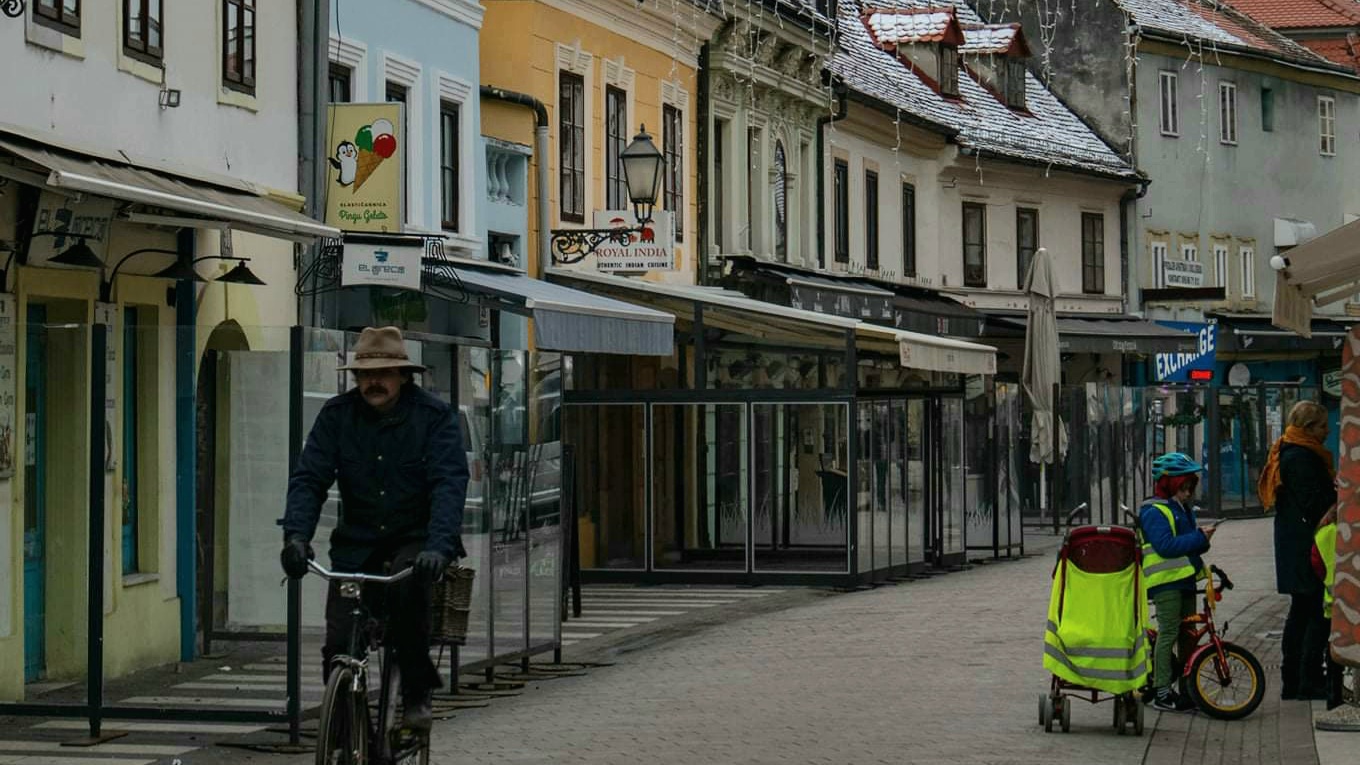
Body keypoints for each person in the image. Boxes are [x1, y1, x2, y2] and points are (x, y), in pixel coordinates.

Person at [278, 326, 469, 732]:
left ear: (404, 375)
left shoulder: (433, 418)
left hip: (413, 540)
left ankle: (417, 691)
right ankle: (346, 725)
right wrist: (296, 537)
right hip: (356, 544)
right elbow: (310, 478)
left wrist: (438, 547)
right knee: (339, 638)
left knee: (408, 597)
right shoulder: (337, 416)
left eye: (383, 373)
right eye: (365, 375)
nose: (374, 382)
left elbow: (449, 484)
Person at [1259, 400, 1336, 701]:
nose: (1327, 432)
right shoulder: (1301, 457)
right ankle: (1305, 679)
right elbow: (1315, 504)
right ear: (1307, 428)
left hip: (1296, 543)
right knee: (1314, 611)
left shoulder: (1290, 451)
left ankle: (1296, 679)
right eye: (1322, 427)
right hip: (1306, 546)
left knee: (1302, 610)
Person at [1140, 452, 1215, 713]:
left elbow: (1186, 546)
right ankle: (1162, 692)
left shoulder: (1179, 508)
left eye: (1190, 489)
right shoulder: (1153, 511)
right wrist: (1199, 537)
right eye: (1183, 488)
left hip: (1184, 580)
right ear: (1169, 484)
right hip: (1166, 583)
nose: (1187, 494)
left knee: (1188, 635)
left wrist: (1201, 539)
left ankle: (1187, 691)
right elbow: (1166, 546)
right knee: (1169, 633)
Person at [1309, 508, 1345, 710]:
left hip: (1331, 601)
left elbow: (1317, 565)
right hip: (1351, 602)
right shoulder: (1349, 532)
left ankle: (1334, 698)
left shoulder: (1323, 533)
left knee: (1334, 652)